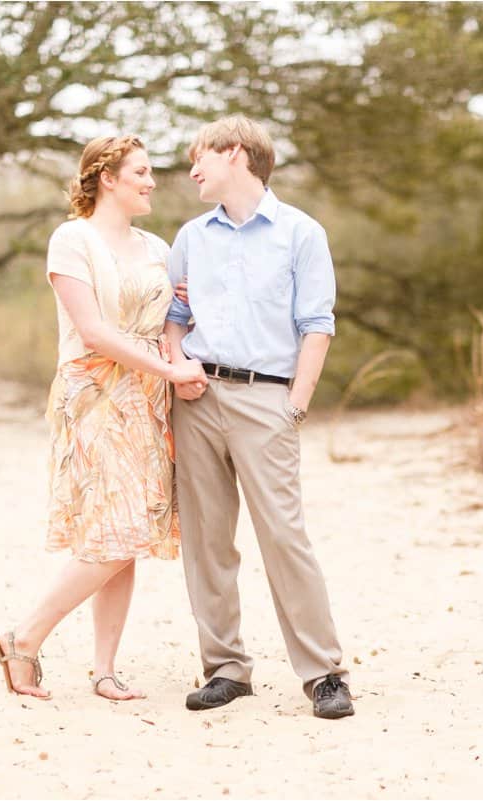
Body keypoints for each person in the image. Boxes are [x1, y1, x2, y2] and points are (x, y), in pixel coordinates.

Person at [0, 135, 207, 701]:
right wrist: (172, 373)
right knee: (114, 533)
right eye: (140, 171)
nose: (152, 181)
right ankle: (24, 636)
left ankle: (105, 669)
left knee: (128, 534)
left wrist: (178, 362)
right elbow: (93, 332)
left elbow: (172, 323)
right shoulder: (73, 240)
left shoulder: (159, 247)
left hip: (148, 401)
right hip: (94, 397)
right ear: (106, 177)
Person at [162, 115, 354, 719]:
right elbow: (173, 317)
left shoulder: (301, 233)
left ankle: (323, 673)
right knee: (206, 540)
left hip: (268, 398)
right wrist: (176, 365)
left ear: (236, 154)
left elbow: (317, 326)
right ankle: (225, 669)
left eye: (201, 157)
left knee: (283, 536)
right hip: (196, 399)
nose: (192, 169)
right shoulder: (192, 236)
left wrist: (294, 404)